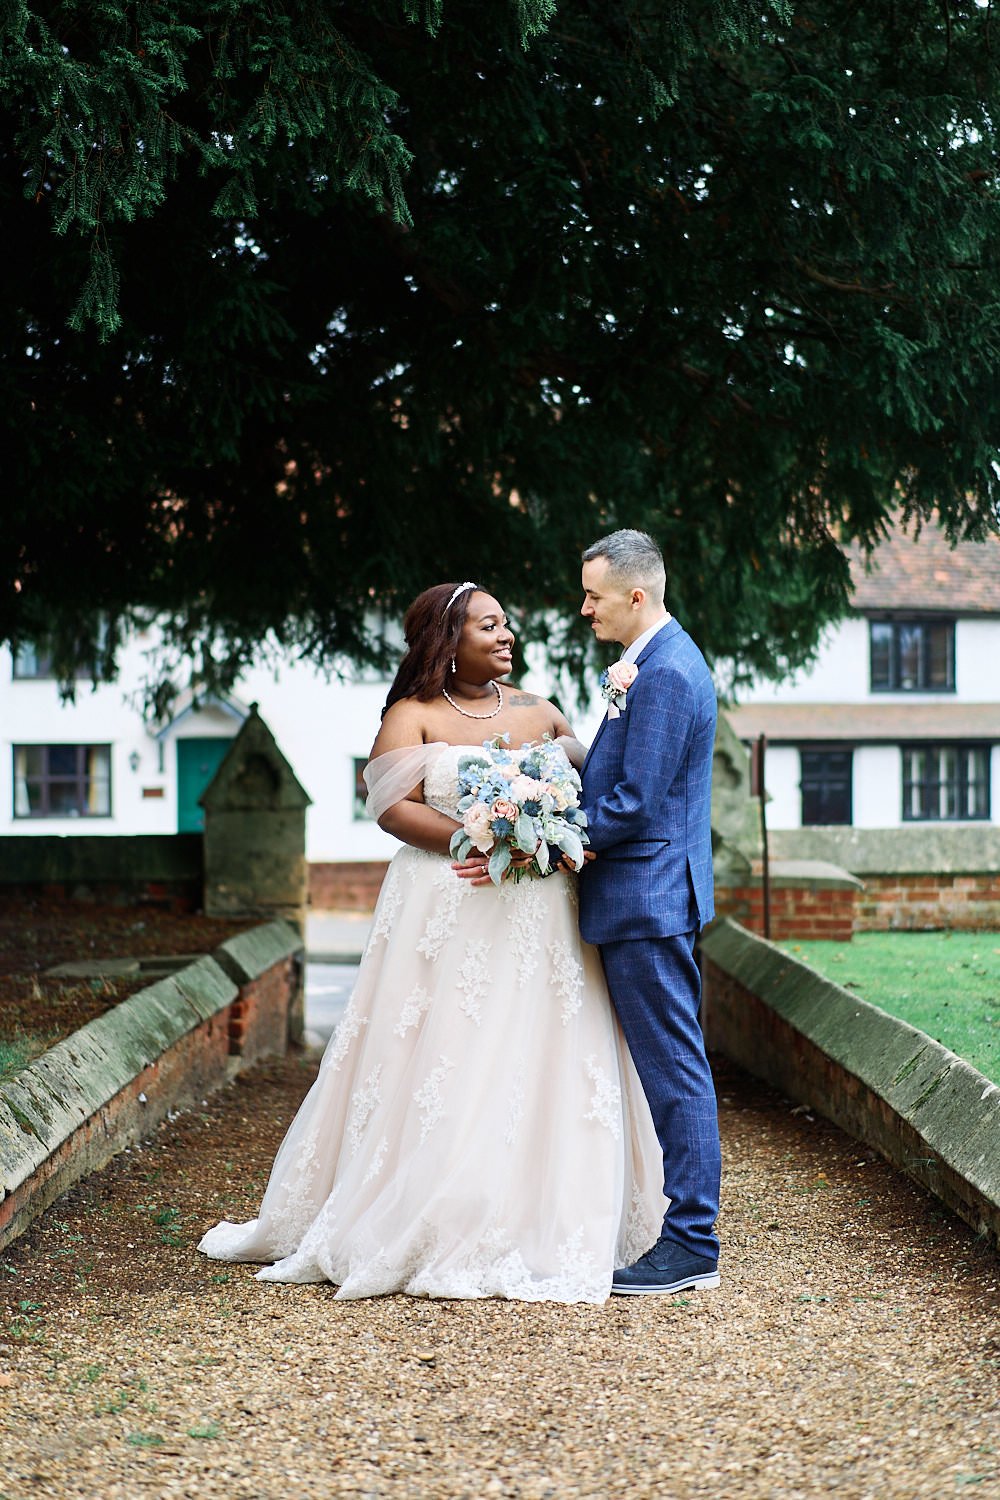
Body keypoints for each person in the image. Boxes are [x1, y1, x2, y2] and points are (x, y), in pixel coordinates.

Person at [198, 580, 665, 1301]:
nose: (506, 636)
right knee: (445, 1053)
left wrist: (545, 834)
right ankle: (430, 1205)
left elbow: (584, 790)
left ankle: (544, 1211)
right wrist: (468, 837)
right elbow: (389, 807)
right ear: (447, 643)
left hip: (538, 914)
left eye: (507, 624)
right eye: (489, 626)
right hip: (447, 904)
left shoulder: (542, 712)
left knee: (539, 1052)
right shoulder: (411, 715)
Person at [578, 529, 722, 1296]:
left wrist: (556, 842)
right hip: (649, 893)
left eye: (594, 595)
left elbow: (633, 802)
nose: (584, 607)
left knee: (676, 1072)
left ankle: (693, 1242)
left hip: (648, 896)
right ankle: (685, 1234)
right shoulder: (658, 660)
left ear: (637, 596)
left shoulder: (664, 673)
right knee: (672, 1067)